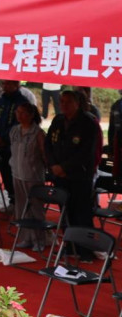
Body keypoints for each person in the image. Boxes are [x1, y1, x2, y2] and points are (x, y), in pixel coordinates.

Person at [46, 90, 100, 261]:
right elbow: (48, 144)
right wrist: (53, 165)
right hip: (59, 175)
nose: (63, 105)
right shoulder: (58, 120)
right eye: (61, 101)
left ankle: (86, 250)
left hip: (79, 176)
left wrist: (64, 167)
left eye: (68, 102)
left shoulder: (88, 122)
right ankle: (69, 247)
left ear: (77, 103)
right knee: (65, 212)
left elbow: (86, 152)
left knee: (81, 213)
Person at [9, 102, 47, 251]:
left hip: (33, 175)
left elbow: (44, 154)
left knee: (36, 208)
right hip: (17, 173)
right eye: (17, 112)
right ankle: (25, 237)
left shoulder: (38, 133)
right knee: (21, 207)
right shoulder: (14, 131)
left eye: (23, 112)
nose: (19, 115)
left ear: (31, 115)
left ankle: (39, 240)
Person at [0, 80, 28, 204]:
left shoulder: (22, 101)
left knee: (16, 173)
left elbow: (19, 124)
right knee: (4, 171)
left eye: (8, 84)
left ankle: (19, 200)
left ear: (16, 85)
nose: (5, 86)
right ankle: (12, 198)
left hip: (14, 145)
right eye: (4, 84)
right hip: (1, 145)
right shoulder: (1, 100)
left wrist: (4, 137)